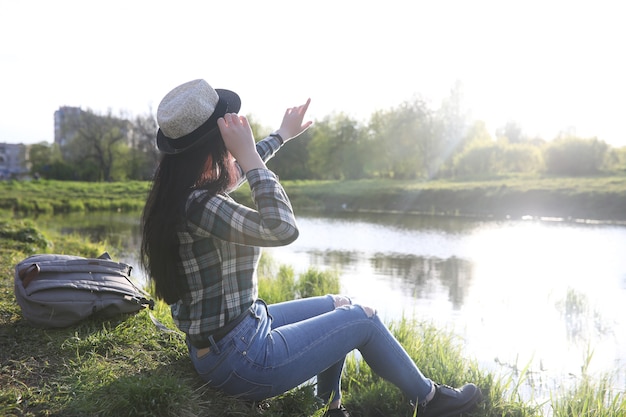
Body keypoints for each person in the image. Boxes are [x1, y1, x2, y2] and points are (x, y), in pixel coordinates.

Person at [141, 79, 482, 417]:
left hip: (233, 337)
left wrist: (280, 136)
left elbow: (234, 173)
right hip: (239, 359)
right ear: (213, 146)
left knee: (341, 304)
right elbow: (282, 228)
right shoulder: (201, 205)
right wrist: (248, 155)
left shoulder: (183, 189)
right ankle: (432, 400)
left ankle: (330, 408)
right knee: (363, 319)